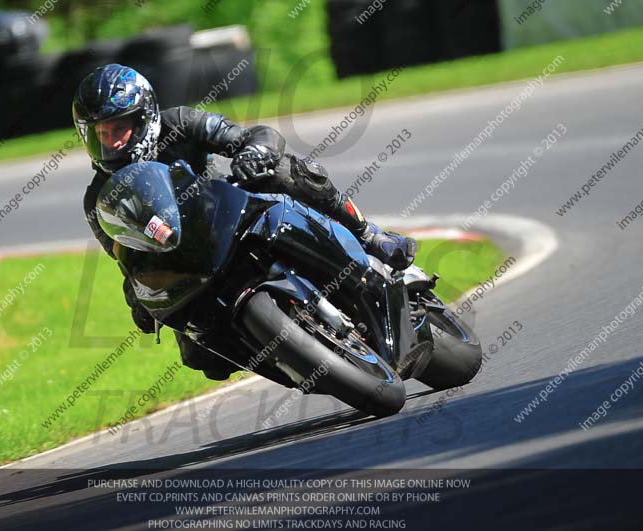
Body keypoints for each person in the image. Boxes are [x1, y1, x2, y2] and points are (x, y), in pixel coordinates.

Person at [74, 64, 416, 380]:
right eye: (103, 133)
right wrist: (137, 298)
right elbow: (124, 254)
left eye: (120, 127)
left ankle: (368, 235)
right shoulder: (97, 198)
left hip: (229, 211)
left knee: (287, 172)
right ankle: (294, 364)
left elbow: (255, 136)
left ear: (144, 116)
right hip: (189, 261)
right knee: (200, 356)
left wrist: (254, 154)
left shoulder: (178, 123)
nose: (114, 141)